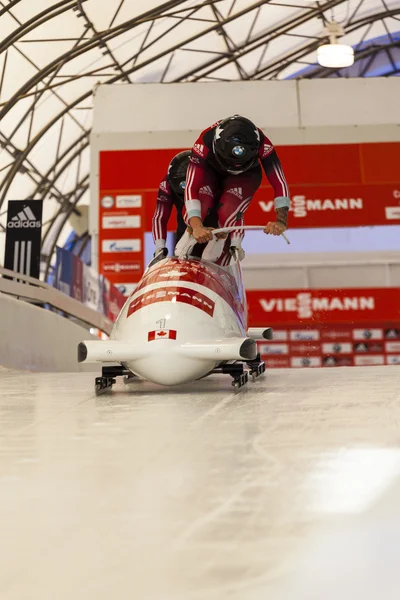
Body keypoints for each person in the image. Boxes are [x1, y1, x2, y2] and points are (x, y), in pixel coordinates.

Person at [183, 114, 290, 263]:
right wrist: (196, 226)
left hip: (245, 176)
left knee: (228, 211)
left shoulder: (264, 145)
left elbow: (279, 182)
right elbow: (191, 186)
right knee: (200, 207)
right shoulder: (204, 142)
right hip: (210, 172)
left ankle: (222, 244)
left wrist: (281, 221)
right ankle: (186, 239)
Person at [152, 150, 190, 260]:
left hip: (210, 226)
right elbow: (159, 217)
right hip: (185, 227)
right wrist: (160, 246)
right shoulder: (167, 184)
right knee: (182, 251)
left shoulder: (212, 180)